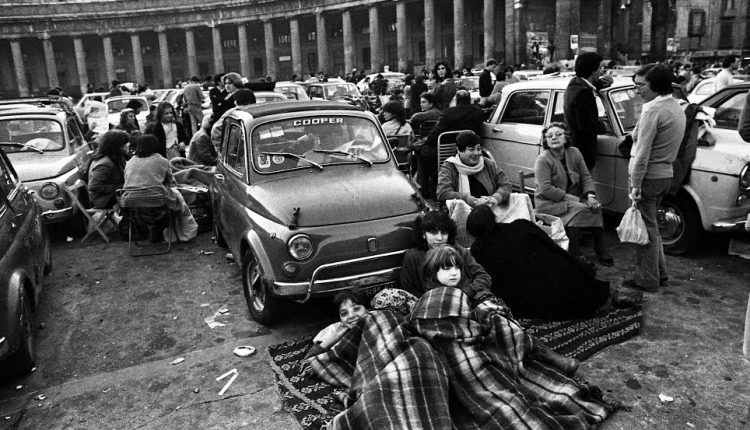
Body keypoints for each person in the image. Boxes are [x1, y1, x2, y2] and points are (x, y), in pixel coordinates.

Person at [465, 205, 634, 320]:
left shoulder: (477, 251)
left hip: (529, 302)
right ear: (493, 219)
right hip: (559, 282)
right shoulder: (520, 226)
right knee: (574, 273)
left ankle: (606, 295)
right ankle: (610, 294)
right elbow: (555, 249)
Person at [624, 64, 685, 293]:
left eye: (641, 85)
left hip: (648, 176)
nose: (637, 90)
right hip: (665, 175)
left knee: (645, 231)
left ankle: (647, 279)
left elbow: (642, 154)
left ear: (655, 86)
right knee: (653, 227)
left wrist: (636, 185)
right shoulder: (676, 107)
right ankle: (660, 274)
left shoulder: (652, 110)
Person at [533, 122, 613, 266]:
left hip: (572, 198)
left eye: (558, 134)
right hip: (549, 202)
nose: (554, 138)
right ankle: (575, 253)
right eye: (549, 136)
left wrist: (590, 196)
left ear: (566, 138)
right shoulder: (543, 159)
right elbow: (545, 189)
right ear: (545, 141)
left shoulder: (574, 152)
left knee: (596, 207)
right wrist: (574, 199)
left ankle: (600, 249)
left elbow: (586, 176)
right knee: (579, 209)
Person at [399, 210, 493, 305]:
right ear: (423, 234)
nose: (439, 238)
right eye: (434, 232)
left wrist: (465, 292)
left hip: (466, 301)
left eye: (444, 233)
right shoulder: (413, 257)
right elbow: (409, 291)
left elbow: (484, 277)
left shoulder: (459, 251)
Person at [122, 134, 197, 243]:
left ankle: (155, 232)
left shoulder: (130, 162)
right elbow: (172, 182)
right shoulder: (162, 160)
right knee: (176, 200)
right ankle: (174, 232)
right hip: (157, 205)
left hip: (130, 206)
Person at [416, 90, 486, 198]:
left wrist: (425, 142)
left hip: (445, 151)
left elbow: (435, 135)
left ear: (457, 100)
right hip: (471, 150)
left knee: (420, 152)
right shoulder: (478, 112)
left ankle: (424, 189)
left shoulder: (448, 113)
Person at [436, 130, 511, 208]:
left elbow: (506, 185)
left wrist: (495, 198)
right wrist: (470, 200)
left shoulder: (488, 163)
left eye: (478, 149)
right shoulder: (449, 166)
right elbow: (443, 193)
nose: (476, 153)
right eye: (471, 149)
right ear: (459, 150)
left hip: (490, 208)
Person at [563, 51, 613, 169]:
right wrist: (604, 126)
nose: (602, 71)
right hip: (583, 152)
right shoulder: (583, 93)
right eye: (600, 68)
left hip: (575, 149)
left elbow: (590, 86)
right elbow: (586, 125)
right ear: (592, 70)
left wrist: (604, 83)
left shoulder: (575, 85)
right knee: (580, 185)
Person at [87, 130, 129, 209]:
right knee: (136, 197)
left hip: (113, 195)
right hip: (104, 199)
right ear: (116, 146)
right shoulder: (105, 164)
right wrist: (119, 187)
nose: (128, 145)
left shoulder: (117, 157)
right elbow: (94, 186)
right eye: (124, 144)